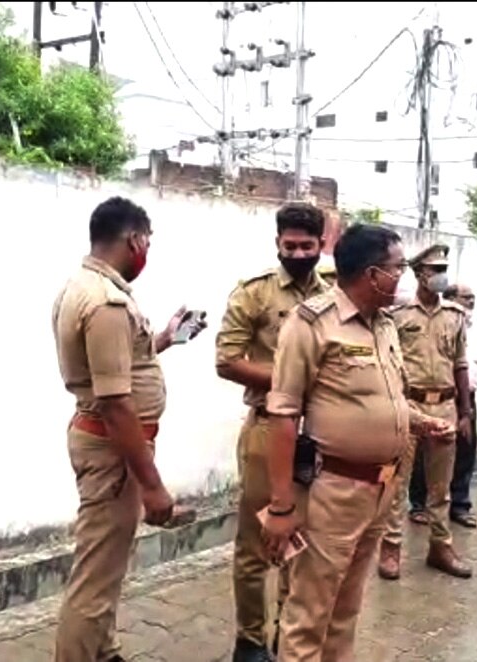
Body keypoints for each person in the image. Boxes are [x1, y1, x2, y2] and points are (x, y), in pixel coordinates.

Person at [262, 223, 455, 661]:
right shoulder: (312, 323)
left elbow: (385, 399)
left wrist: (421, 422)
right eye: (397, 268)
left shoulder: (384, 324)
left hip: (380, 488)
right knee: (310, 611)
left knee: (346, 608)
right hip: (333, 490)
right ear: (371, 274)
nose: (402, 277)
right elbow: (283, 414)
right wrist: (280, 506)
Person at [52, 196, 206, 662]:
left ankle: (104, 651)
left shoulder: (86, 286)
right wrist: (153, 487)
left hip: (107, 442)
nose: (147, 251)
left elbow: (120, 368)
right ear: (135, 239)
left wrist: (163, 339)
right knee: (95, 578)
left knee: (108, 564)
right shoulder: (106, 303)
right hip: (112, 447)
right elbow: (117, 403)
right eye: (147, 242)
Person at [215, 202, 331, 662]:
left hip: (319, 435)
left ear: (322, 246)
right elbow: (226, 361)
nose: (299, 253)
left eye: (307, 246)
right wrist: (288, 380)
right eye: (290, 246)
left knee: (302, 544)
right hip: (267, 431)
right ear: (278, 244)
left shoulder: (334, 296)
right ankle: (250, 639)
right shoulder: (254, 294)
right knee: (257, 543)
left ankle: (290, 632)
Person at [379, 244, 474, 581]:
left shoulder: (455, 315)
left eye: (443, 268)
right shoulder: (397, 315)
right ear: (419, 273)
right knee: (397, 481)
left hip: (446, 405)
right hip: (409, 404)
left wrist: (465, 411)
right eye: (434, 269)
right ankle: (390, 547)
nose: (440, 275)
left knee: (440, 486)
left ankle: (440, 545)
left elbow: (461, 364)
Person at [408, 284, 477, 529]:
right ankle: (419, 504)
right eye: (465, 298)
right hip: (420, 399)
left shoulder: (469, 324)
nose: (470, 303)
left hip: (461, 397)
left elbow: (465, 363)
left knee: (463, 453)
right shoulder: (406, 316)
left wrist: (466, 409)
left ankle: (459, 506)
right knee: (419, 458)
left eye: (472, 298)